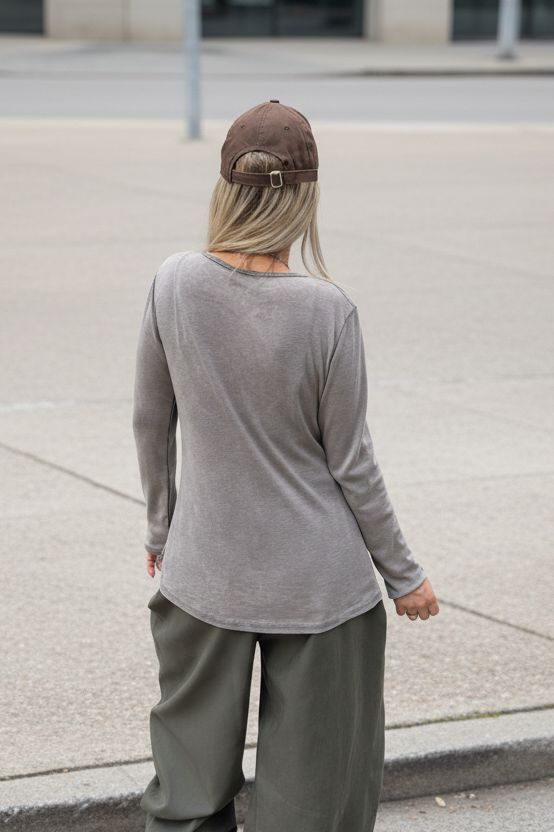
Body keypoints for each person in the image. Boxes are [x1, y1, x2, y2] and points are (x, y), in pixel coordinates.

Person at [132, 99, 439, 832]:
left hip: (204, 570)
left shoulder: (174, 282)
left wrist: (161, 529)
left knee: (187, 790)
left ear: (225, 188)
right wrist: (404, 576)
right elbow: (352, 464)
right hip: (320, 588)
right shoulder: (328, 311)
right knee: (314, 800)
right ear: (304, 198)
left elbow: (151, 419)